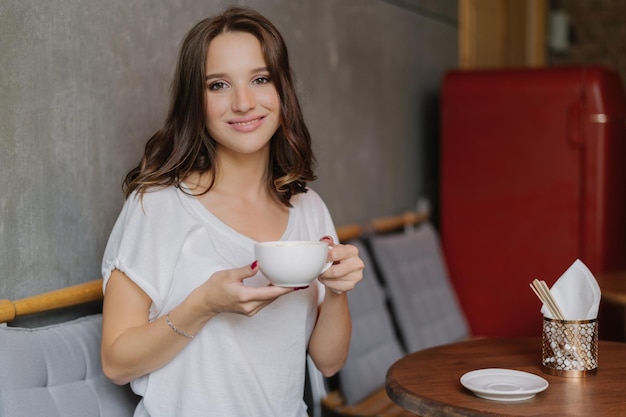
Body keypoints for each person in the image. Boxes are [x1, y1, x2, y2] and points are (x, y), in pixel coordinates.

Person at [100, 6, 364, 417]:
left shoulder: (308, 208)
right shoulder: (158, 205)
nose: (243, 103)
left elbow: (329, 362)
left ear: (282, 91)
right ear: (196, 101)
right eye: (218, 85)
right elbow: (116, 362)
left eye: (260, 79)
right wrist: (204, 304)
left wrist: (337, 292)